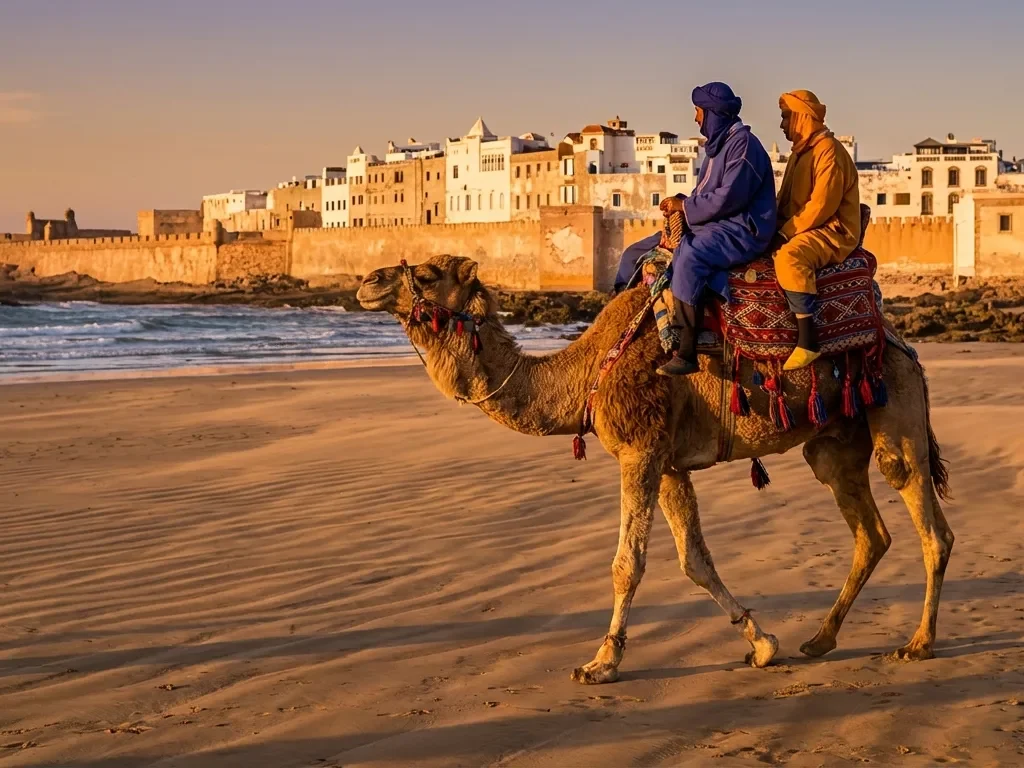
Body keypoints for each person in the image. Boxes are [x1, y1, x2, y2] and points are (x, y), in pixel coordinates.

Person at [655, 82, 777, 376]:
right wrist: (682, 204)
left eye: (699, 112)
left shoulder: (743, 145)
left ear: (712, 114)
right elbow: (706, 194)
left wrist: (686, 207)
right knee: (654, 247)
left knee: (691, 254)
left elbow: (729, 197)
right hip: (720, 222)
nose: (696, 118)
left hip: (743, 228)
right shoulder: (718, 146)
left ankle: (687, 350)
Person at [773, 90, 861, 370]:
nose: (782, 125)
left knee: (790, 258)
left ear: (801, 117)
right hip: (803, 226)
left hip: (831, 230)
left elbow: (822, 205)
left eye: (786, 117)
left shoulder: (829, 151)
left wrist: (785, 233)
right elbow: (785, 200)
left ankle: (808, 340)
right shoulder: (800, 153)